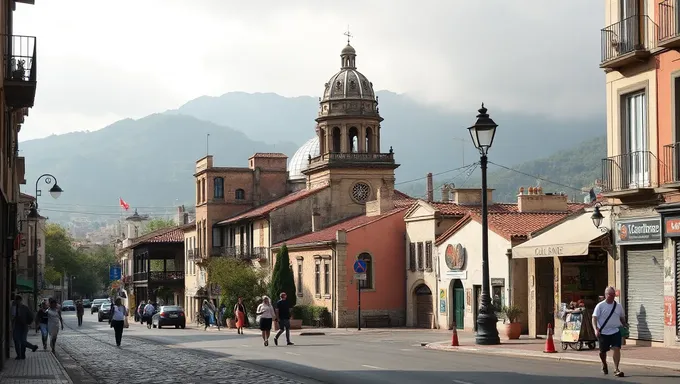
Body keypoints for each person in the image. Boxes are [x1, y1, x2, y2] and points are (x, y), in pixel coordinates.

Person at [592, 286, 628, 377]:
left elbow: (622, 318)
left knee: (616, 348)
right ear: (606, 295)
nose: (612, 297)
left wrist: (625, 325)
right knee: (602, 352)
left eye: (614, 295)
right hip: (603, 332)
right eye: (610, 295)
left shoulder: (618, 306)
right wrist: (596, 329)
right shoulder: (600, 306)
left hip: (615, 331)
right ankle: (604, 364)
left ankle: (616, 369)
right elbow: (594, 318)